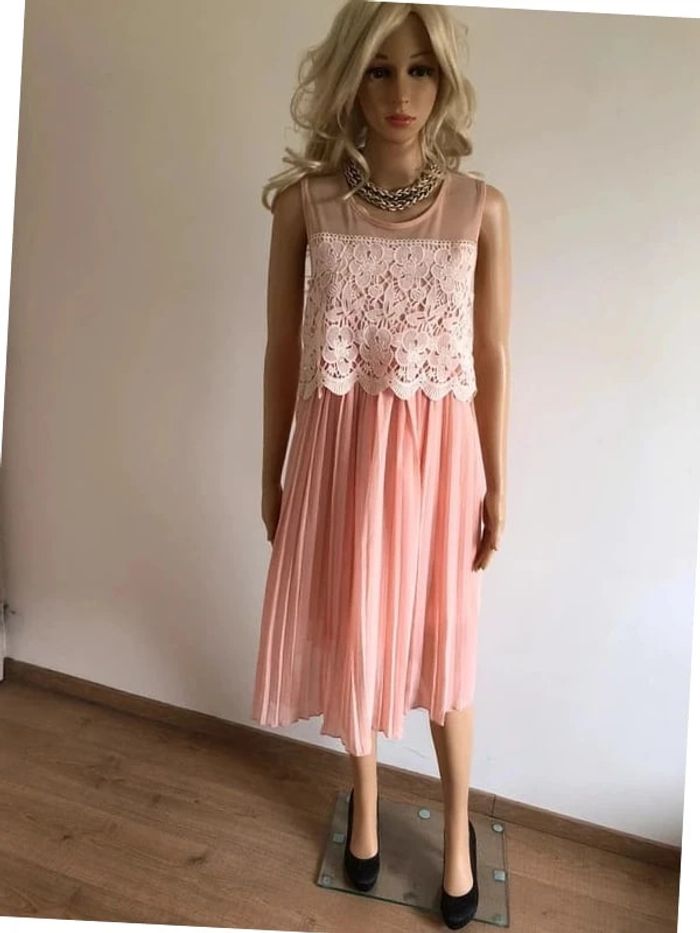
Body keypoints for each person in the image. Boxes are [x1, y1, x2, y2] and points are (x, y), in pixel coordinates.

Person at [251, 1, 510, 927]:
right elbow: (283, 349)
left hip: (440, 470)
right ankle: (362, 802)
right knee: (353, 626)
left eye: (420, 69)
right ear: (349, 79)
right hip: (340, 462)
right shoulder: (306, 205)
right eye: (379, 68)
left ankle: (457, 829)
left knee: (443, 643)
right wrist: (272, 469)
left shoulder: (481, 208)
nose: (401, 91)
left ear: (444, 80)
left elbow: (492, 356)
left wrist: (499, 482)